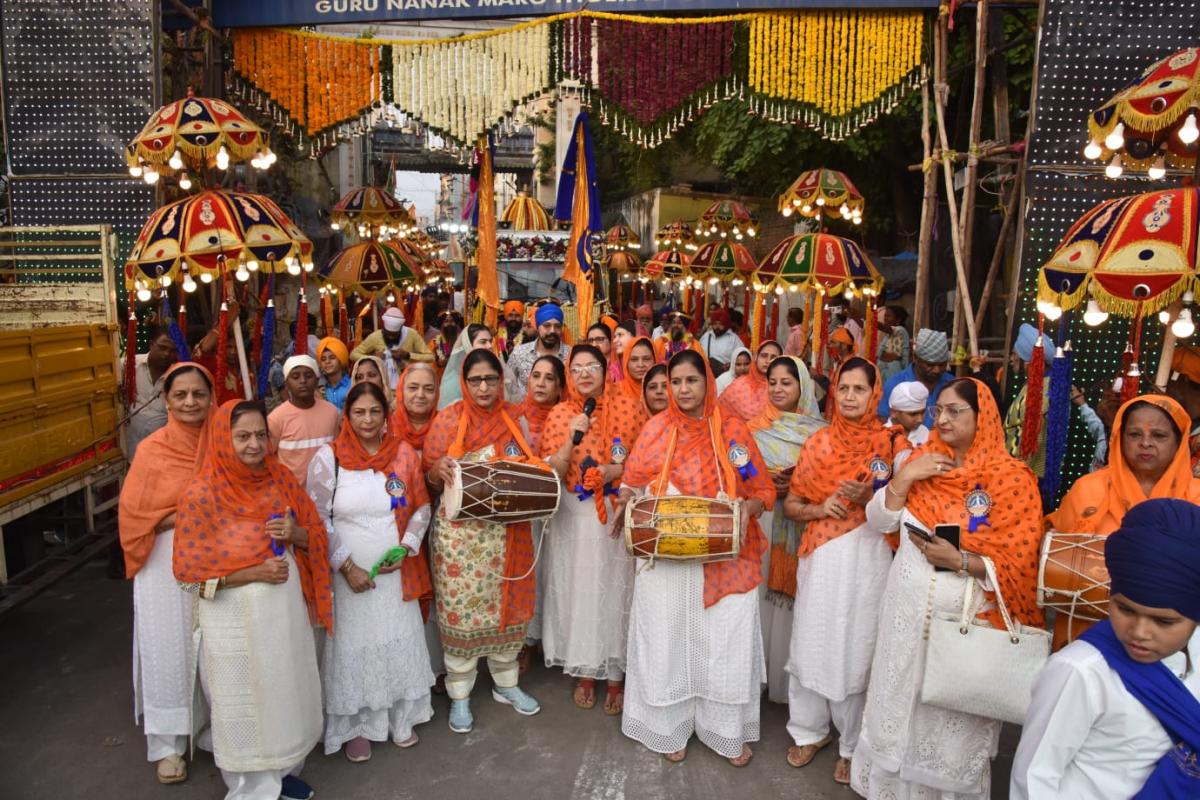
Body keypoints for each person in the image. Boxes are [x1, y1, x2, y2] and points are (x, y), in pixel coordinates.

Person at [851, 378, 1045, 799]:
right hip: (904, 617)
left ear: (984, 418)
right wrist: (905, 477)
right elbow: (879, 523)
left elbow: (1021, 563)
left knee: (948, 715)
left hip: (965, 625)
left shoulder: (1011, 480)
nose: (942, 419)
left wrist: (961, 561)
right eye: (939, 409)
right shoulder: (923, 461)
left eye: (955, 411)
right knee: (898, 698)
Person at [614, 349, 774, 766]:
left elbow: (762, 491)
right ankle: (670, 726)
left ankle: (724, 729)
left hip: (724, 558)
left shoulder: (731, 431)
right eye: (677, 382)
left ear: (707, 382)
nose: (684, 390)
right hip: (665, 556)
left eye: (692, 381)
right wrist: (627, 501)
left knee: (724, 637)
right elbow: (630, 483)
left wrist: (746, 510)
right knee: (669, 636)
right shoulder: (655, 429)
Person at [173, 399, 332, 800]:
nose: (254, 444)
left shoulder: (279, 477)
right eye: (242, 436)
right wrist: (252, 573)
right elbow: (189, 577)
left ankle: (282, 771)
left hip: (282, 613)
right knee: (243, 700)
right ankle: (251, 787)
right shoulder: (201, 493)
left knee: (283, 687)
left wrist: (294, 535)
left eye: (261, 435)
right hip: (232, 619)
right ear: (223, 439)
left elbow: (313, 531)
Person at [1011, 498, 1200, 800]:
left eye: (1163, 621)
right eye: (1124, 609)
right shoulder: (1080, 673)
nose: (1138, 632)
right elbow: (1034, 779)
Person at [782, 358, 906, 784]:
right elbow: (792, 504)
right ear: (833, 391)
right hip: (820, 558)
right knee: (813, 639)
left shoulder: (891, 445)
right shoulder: (818, 443)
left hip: (870, 557)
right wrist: (821, 507)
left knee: (858, 643)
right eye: (844, 388)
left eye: (859, 389)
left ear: (875, 394)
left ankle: (853, 743)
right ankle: (809, 730)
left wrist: (873, 492)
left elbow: (910, 503)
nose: (850, 397)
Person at [307, 382, 435, 762]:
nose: (367, 420)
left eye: (374, 412)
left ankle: (401, 716)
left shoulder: (403, 455)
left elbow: (421, 507)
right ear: (347, 416)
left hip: (394, 570)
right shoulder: (329, 459)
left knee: (397, 637)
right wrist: (346, 566)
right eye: (359, 412)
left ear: (385, 415)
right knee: (355, 645)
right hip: (348, 574)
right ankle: (357, 725)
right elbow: (316, 519)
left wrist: (407, 547)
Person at [423, 349, 542, 733]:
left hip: (507, 535)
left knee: (508, 609)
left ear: (501, 380)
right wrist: (435, 470)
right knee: (463, 613)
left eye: (491, 378)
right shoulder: (448, 420)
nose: (484, 387)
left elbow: (531, 466)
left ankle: (506, 686)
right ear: (464, 381)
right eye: (476, 380)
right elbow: (428, 475)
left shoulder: (515, 420)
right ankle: (460, 695)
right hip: (460, 542)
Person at [118, 363, 213, 785]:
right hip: (163, 564)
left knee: (216, 645)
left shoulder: (225, 442)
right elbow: (136, 515)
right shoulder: (153, 450)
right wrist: (185, 515)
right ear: (167, 400)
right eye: (181, 395)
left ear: (211, 398)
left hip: (218, 555)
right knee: (169, 648)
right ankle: (168, 746)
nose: (190, 402)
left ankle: (213, 730)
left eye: (198, 394)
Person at [1046, 394, 1200, 649]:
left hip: (1171, 645)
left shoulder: (1195, 497)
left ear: (1179, 441)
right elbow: (1054, 556)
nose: (1146, 443)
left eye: (1159, 436)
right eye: (1135, 434)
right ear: (1119, 437)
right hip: (1088, 633)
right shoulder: (1088, 489)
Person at [541, 345, 645, 714]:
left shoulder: (630, 408)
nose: (585, 373)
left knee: (618, 590)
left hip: (617, 508)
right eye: (578, 367)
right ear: (570, 373)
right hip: (577, 513)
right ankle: (586, 669)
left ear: (606, 370)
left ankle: (616, 673)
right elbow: (551, 469)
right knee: (583, 592)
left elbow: (644, 461)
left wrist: (614, 472)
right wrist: (573, 436)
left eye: (593, 366)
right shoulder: (560, 414)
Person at [747, 356, 826, 704]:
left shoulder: (821, 434)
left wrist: (797, 485)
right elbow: (739, 476)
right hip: (762, 522)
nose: (778, 389)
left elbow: (828, 483)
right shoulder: (752, 430)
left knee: (793, 606)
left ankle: (787, 683)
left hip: (801, 524)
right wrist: (765, 486)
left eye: (787, 383)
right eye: (773, 382)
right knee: (759, 599)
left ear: (803, 387)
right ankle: (754, 677)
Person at [515, 354, 566, 673]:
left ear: (561, 386)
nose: (541, 383)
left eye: (549, 378)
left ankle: (556, 639)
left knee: (555, 574)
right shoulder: (514, 416)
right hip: (525, 508)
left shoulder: (567, 417)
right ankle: (527, 641)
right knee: (529, 573)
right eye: (536, 376)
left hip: (561, 507)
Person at [267, 355, 340, 484]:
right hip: (291, 496)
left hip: (327, 494)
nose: (303, 381)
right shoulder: (276, 418)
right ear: (286, 384)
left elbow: (337, 451)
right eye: (295, 377)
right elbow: (268, 458)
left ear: (317, 381)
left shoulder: (331, 412)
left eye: (308, 376)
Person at [877, 327, 953, 427]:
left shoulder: (951, 384)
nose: (937, 370)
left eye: (942, 365)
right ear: (916, 358)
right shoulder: (895, 384)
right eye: (930, 365)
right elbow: (884, 419)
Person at [124, 325, 178, 458]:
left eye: (171, 351)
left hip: (163, 452)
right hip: (132, 450)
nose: (166, 354)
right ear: (151, 344)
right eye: (162, 348)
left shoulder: (177, 376)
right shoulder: (129, 365)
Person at [351, 306, 434, 389]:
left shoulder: (411, 334)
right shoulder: (375, 337)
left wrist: (407, 355)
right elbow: (353, 355)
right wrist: (373, 358)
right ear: (383, 329)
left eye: (394, 334)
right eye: (388, 334)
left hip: (408, 383)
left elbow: (430, 357)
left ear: (401, 329)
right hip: (381, 386)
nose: (391, 337)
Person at [507, 303, 570, 403]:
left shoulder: (571, 355)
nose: (552, 331)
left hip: (560, 415)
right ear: (537, 326)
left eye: (557, 326)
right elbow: (507, 385)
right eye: (547, 326)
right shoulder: (519, 353)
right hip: (524, 415)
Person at [719, 340, 784, 422]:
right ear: (756, 358)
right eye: (764, 356)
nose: (768, 361)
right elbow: (720, 412)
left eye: (773, 357)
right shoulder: (738, 385)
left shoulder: (784, 387)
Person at [700, 307, 742, 377]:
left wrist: (731, 364)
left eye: (720, 324)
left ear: (726, 324)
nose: (717, 327)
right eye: (715, 324)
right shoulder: (706, 336)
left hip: (725, 376)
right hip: (706, 375)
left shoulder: (734, 339)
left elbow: (741, 357)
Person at [887, 381, 930, 447]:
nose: (920, 420)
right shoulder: (882, 435)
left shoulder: (924, 432)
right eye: (913, 414)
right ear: (894, 412)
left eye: (923, 412)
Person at [614, 336, 657, 400]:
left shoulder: (665, 390)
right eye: (634, 360)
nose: (640, 365)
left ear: (655, 360)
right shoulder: (615, 391)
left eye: (646, 359)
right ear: (626, 362)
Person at [875, 305, 910, 383]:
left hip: (894, 373)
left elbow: (893, 357)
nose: (885, 319)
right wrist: (885, 356)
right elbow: (879, 354)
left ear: (898, 320)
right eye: (885, 316)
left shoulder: (901, 331)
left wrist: (873, 320)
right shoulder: (887, 336)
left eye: (889, 316)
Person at [316, 336, 352, 412]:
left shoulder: (352, 385)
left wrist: (325, 404)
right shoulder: (321, 390)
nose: (327, 362)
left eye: (332, 358)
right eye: (323, 359)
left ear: (341, 360)